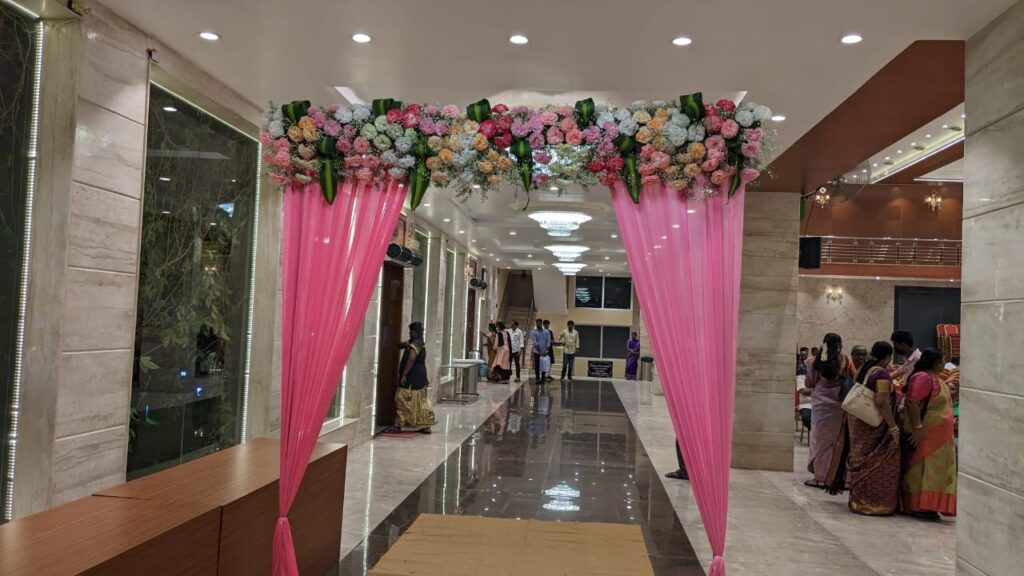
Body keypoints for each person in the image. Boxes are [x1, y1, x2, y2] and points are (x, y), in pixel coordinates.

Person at [831, 341, 901, 515]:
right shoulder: (882, 373)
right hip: (873, 425)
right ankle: (873, 503)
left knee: (859, 457)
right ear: (887, 357)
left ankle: (858, 500)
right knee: (878, 461)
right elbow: (881, 401)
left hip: (858, 420)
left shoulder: (865, 369)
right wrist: (893, 427)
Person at [900, 348, 957, 518]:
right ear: (936, 362)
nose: (944, 364)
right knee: (921, 468)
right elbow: (912, 402)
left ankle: (930, 505)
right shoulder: (923, 377)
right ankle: (917, 505)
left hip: (939, 437)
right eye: (942, 360)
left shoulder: (935, 378)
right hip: (926, 434)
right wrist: (918, 429)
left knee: (935, 470)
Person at [804, 332, 856, 488]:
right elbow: (854, 379)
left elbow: (809, 384)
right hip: (839, 405)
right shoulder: (846, 360)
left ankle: (821, 477)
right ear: (840, 344)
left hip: (821, 406)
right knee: (839, 440)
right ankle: (842, 478)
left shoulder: (813, 361)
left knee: (820, 441)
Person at [395, 322, 436, 434]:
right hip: (420, 377)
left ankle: (400, 424)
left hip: (413, 377)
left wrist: (404, 374)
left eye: (410, 331)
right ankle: (425, 425)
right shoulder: (418, 342)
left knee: (402, 398)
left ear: (414, 332)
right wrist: (403, 344)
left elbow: (412, 358)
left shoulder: (415, 344)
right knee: (420, 401)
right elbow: (401, 345)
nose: (409, 333)